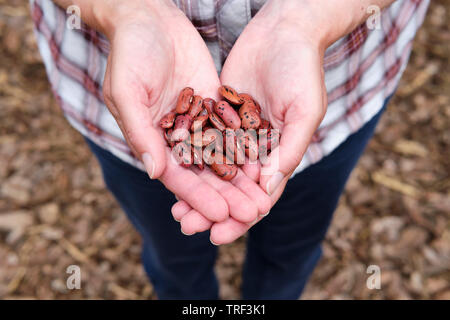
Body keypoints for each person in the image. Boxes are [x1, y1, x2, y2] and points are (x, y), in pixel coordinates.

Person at [30, 0, 429, 299]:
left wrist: (310, 18)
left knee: (291, 251)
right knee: (175, 259)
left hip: (340, 85)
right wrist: (125, 11)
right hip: (129, 100)